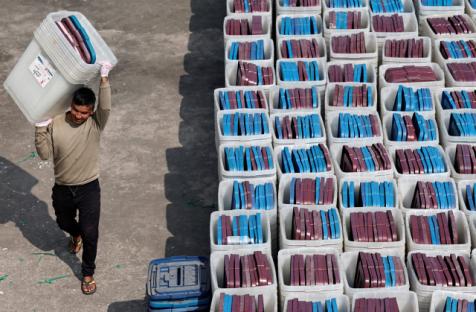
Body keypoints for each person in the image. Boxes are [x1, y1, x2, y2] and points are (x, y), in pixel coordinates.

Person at [34, 62, 113, 295]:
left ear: (91, 112)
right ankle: (74, 233)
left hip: (89, 187)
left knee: (92, 233)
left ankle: (88, 272)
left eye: (84, 112)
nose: (79, 116)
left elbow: (106, 107)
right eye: (76, 110)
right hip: (63, 188)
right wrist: (40, 128)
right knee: (64, 223)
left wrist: (104, 78)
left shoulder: (96, 123)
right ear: (71, 106)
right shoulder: (56, 121)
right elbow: (44, 154)